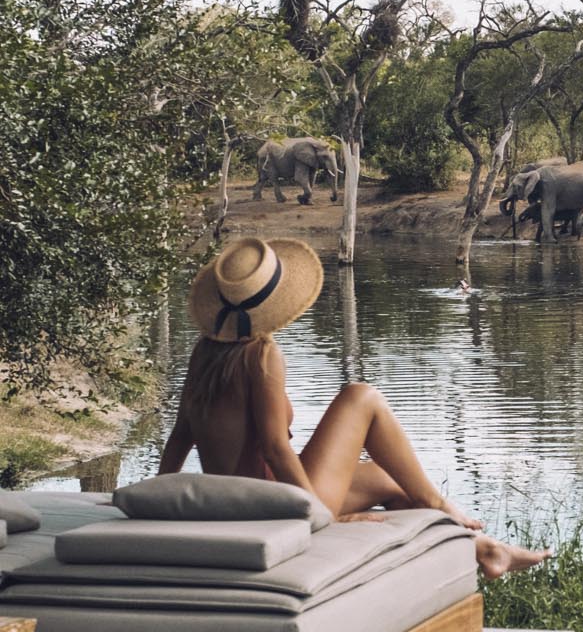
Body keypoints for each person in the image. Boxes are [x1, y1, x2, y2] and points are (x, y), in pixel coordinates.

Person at [158, 235, 550, 578]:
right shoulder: (261, 354)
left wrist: (157, 498)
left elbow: (180, 437)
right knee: (361, 396)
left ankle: (483, 549)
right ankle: (439, 503)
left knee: (388, 480)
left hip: (238, 504)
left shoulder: (204, 354)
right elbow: (277, 449)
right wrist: (320, 517)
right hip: (272, 506)